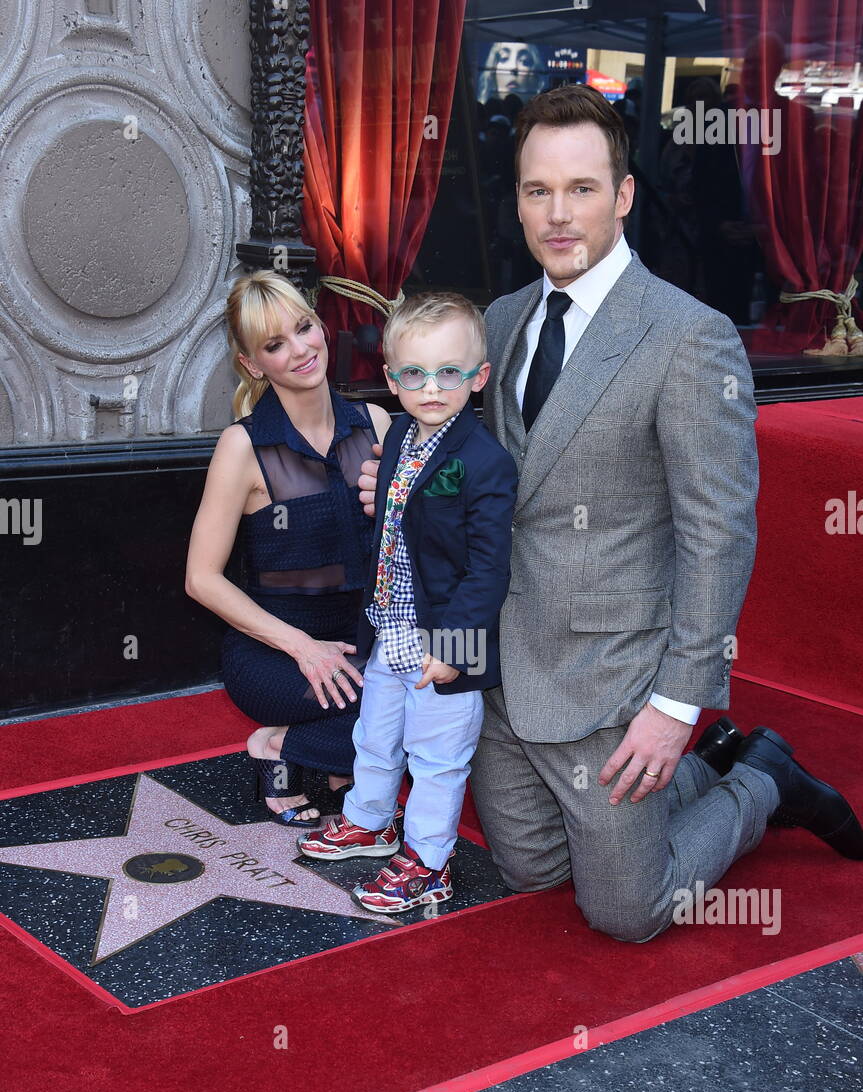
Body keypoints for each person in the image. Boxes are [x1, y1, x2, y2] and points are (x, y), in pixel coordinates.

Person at [359, 84, 863, 941]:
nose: (557, 214)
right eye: (537, 190)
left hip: (609, 675)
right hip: (499, 663)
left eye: (581, 189)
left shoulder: (688, 336)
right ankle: (702, 776)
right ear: (518, 201)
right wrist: (402, 490)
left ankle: (761, 779)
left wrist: (676, 705)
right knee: (529, 870)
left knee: (627, 911)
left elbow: (717, 531)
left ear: (623, 195)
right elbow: (471, 473)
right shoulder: (498, 323)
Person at [298, 293, 519, 912]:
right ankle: (369, 821)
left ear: (479, 377)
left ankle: (429, 861)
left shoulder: (486, 462)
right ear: (391, 379)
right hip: (388, 627)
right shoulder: (397, 436)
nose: (432, 388)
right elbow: (390, 529)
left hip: (441, 646)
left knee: (437, 759)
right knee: (374, 736)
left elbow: (487, 569)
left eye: (449, 372)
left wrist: (455, 649)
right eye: (415, 374)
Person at [186, 270, 391, 825]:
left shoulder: (373, 423)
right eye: (275, 345)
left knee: (434, 694)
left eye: (304, 328)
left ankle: (290, 745)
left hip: (364, 638)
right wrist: (303, 648)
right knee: (389, 709)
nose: (300, 350)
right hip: (276, 654)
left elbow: (398, 549)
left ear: (321, 327)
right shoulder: (242, 446)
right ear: (253, 364)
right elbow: (200, 579)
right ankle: (301, 748)